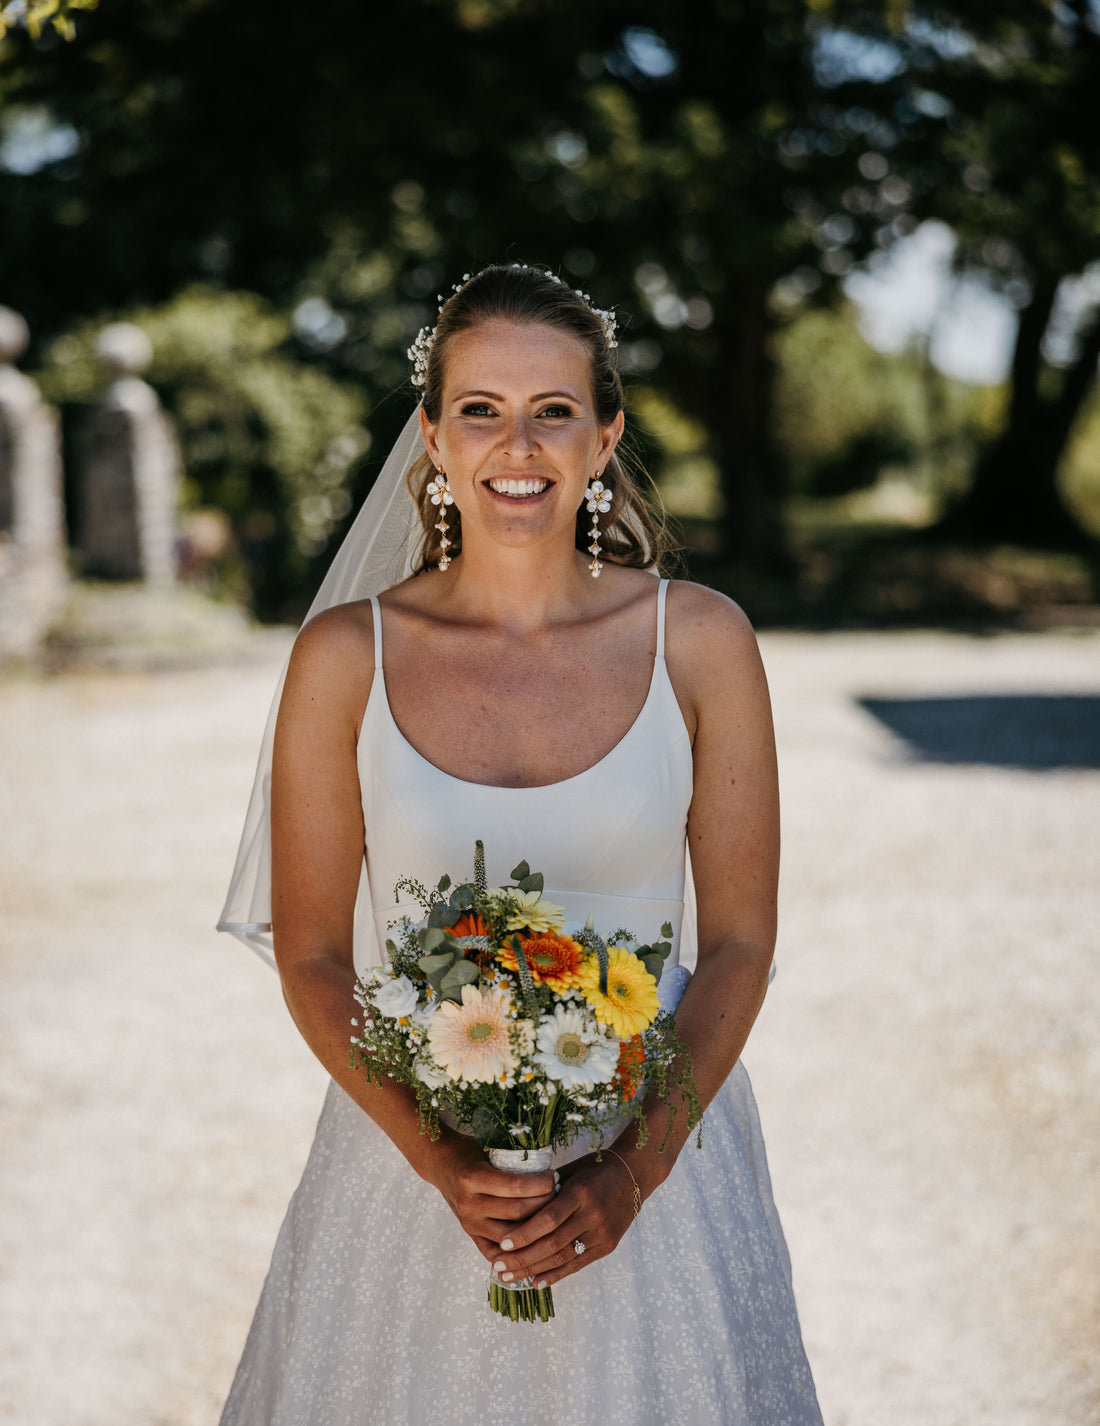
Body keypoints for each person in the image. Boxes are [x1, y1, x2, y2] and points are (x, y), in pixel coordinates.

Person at [217, 264, 822, 1425]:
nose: (518, 445)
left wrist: (632, 1170)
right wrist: (444, 1161)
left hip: (661, 1158)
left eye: (552, 410)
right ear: (432, 437)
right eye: (480, 410)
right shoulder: (344, 657)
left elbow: (741, 941)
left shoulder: (699, 642)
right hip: (411, 1169)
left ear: (605, 437)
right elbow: (312, 956)